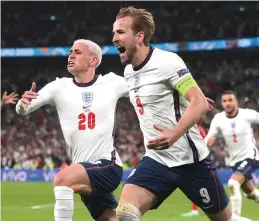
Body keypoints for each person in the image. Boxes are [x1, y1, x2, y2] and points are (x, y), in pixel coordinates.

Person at [112, 6, 252, 221]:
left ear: (139, 36)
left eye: (120, 32)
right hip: (157, 160)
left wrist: (175, 133)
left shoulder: (167, 62)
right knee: (125, 214)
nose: (114, 38)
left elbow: (200, 104)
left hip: (191, 161)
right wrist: (189, 100)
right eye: (114, 32)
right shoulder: (129, 71)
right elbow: (180, 100)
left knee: (226, 220)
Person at [16, 39, 129, 221]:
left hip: (107, 165)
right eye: (70, 52)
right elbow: (24, 109)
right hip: (83, 170)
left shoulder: (112, 82)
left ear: (93, 61)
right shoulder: (58, 87)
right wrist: (23, 104)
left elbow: (144, 92)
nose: (71, 55)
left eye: (77, 52)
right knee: (110, 218)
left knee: (62, 180)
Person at [205, 90, 259, 216]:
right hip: (235, 161)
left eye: (230, 100)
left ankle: (235, 219)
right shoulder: (218, 119)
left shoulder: (247, 115)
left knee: (233, 183)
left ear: (236, 102)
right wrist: (204, 145)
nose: (227, 103)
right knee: (251, 193)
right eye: (224, 101)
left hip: (250, 157)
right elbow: (210, 138)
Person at [180, 123, 207, 217]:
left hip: (197, 161)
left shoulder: (197, 128)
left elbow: (204, 143)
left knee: (197, 186)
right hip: (190, 161)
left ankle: (199, 209)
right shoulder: (188, 127)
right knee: (194, 186)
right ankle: (195, 210)